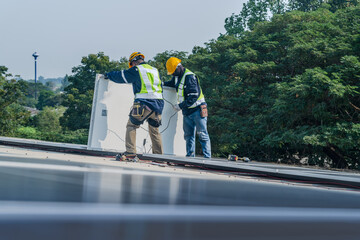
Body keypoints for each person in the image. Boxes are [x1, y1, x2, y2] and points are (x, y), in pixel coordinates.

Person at [104, 52, 164, 155]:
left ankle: (130, 152)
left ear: (134, 62)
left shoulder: (137, 70)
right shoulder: (155, 70)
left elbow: (121, 76)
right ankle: (159, 156)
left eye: (131, 64)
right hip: (158, 105)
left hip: (142, 104)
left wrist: (108, 75)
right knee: (154, 130)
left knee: (131, 126)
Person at [164, 57, 211, 158]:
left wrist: (180, 106)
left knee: (202, 134)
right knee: (188, 136)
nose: (172, 74)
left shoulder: (190, 77)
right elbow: (172, 84)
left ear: (178, 68)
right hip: (187, 111)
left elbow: (194, 96)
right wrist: (162, 84)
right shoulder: (177, 76)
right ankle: (190, 157)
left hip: (198, 110)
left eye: (173, 72)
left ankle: (207, 158)